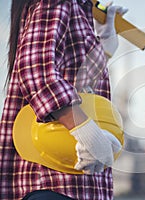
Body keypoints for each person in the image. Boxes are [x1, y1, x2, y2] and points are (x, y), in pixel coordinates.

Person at [0, 0, 127, 199]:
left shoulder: (76, 7)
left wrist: (104, 46)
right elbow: (37, 71)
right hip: (52, 181)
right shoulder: (57, 2)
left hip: (68, 182)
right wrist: (87, 132)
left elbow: (77, 82)